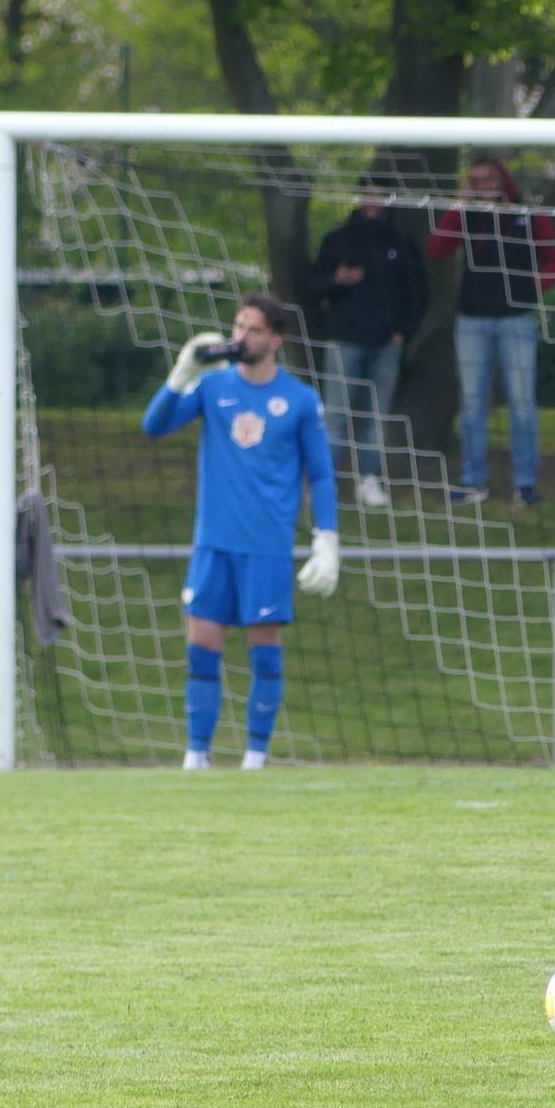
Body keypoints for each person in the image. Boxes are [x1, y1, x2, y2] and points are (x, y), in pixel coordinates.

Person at [142, 292, 337, 771]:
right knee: (202, 653)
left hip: (266, 548)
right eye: (238, 326)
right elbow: (153, 427)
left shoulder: (300, 400)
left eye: (253, 329)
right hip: (213, 544)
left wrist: (327, 539)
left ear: (275, 340)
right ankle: (196, 757)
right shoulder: (213, 387)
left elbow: (321, 474)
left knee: (265, 658)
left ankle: (254, 759)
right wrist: (181, 376)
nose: (241, 337)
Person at [428, 155, 555, 506]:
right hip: (472, 321)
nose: (484, 186)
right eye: (476, 181)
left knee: (522, 404)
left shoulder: (528, 215)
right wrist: (458, 205)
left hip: (516, 320)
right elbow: (437, 249)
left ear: (502, 180)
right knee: (473, 405)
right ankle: (473, 481)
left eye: (489, 179)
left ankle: (525, 483)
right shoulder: (467, 216)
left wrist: (533, 287)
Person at [308, 173, 428, 509]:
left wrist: (403, 330)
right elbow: (313, 285)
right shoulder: (338, 240)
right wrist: (336, 279)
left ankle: (369, 479)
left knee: (377, 416)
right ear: (359, 197)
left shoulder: (402, 243)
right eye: (368, 193)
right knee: (335, 416)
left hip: (387, 344)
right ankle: (325, 483)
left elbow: (419, 293)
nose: (373, 200)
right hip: (344, 341)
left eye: (380, 194)